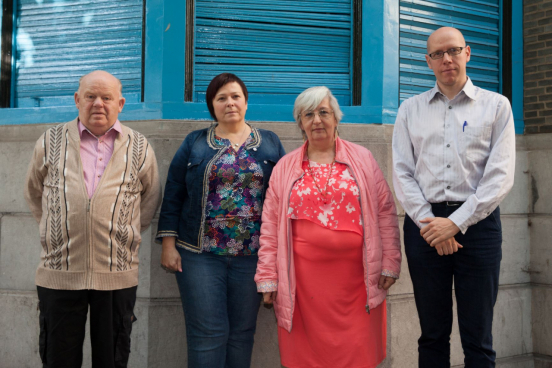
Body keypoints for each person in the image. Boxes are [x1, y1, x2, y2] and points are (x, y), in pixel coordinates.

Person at [392, 27, 516, 367]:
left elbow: (500, 175)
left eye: (453, 51)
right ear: (428, 62)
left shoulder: (496, 106)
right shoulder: (410, 109)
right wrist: (434, 225)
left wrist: (456, 224)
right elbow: (402, 172)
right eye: (437, 54)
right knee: (432, 335)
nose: (447, 59)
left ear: (468, 52)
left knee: (479, 337)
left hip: (478, 228)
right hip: (425, 227)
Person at [255, 86, 402, 368]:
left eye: (324, 112)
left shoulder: (363, 159)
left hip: (358, 280)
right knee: (307, 358)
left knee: (357, 354)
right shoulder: (285, 167)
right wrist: (267, 277)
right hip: (303, 285)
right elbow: (270, 227)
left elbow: (385, 212)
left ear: (336, 118)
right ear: (300, 123)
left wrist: (390, 262)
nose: (317, 120)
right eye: (308, 114)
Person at [24, 70, 161, 368]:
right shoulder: (50, 140)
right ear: (77, 99)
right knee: (58, 359)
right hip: (60, 273)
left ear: (120, 103)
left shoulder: (139, 146)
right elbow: (35, 193)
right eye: (90, 96)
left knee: (111, 359)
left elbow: (149, 200)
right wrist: (58, 229)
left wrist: (121, 235)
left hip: (116, 274)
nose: (98, 103)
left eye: (107, 97)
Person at [157, 73, 285, 368]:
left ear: (246, 101)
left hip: (253, 257)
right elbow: (174, 192)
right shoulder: (195, 142)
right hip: (199, 256)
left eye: (235, 96)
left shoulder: (269, 143)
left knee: (242, 334)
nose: (230, 103)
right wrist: (168, 243)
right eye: (221, 98)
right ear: (212, 106)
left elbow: (285, 195)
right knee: (207, 335)